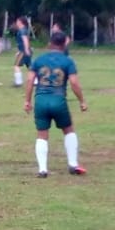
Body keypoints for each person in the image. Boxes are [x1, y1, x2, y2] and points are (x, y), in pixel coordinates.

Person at [24, 31, 87, 178]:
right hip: (59, 100)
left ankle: (42, 169)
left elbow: (29, 81)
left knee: (42, 134)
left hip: (40, 100)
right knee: (69, 130)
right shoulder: (68, 61)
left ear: (49, 43)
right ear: (65, 44)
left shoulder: (39, 60)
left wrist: (27, 101)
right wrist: (82, 101)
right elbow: (74, 83)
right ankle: (72, 164)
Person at [13, 17, 32, 87]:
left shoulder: (22, 30)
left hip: (23, 51)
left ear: (21, 22)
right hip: (24, 50)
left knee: (16, 66)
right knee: (30, 66)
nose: (16, 22)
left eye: (17, 21)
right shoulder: (24, 30)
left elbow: (25, 40)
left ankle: (18, 82)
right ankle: (35, 81)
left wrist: (26, 50)